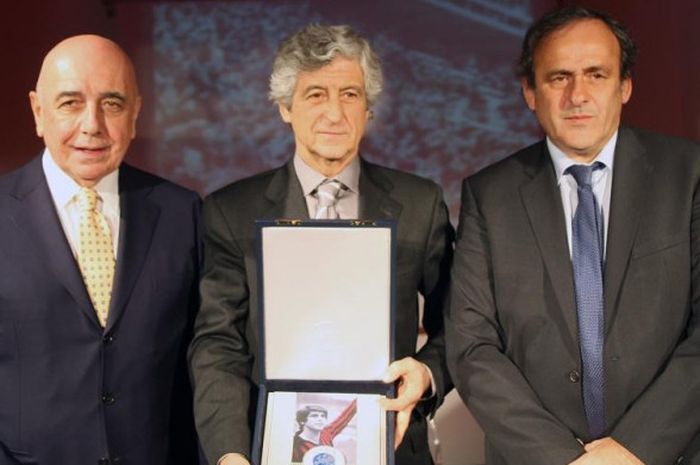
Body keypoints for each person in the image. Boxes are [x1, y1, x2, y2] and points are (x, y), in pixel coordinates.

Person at [446, 5, 700, 465]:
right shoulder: (489, 195)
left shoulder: (690, 176)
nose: (577, 95)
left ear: (625, 86)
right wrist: (564, 459)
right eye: (558, 77)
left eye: (596, 75)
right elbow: (472, 347)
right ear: (530, 91)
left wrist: (632, 448)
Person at [189, 24, 454, 465]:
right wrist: (230, 453)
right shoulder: (230, 211)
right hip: (268, 448)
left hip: (390, 442)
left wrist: (427, 372)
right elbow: (218, 344)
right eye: (315, 95)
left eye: (350, 94)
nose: (335, 113)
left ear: (369, 109)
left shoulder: (420, 203)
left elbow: (462, 321)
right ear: (284, 108)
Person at [0, 35, 201, 464]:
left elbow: (202, 360)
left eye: (111, 103)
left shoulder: (184, 213)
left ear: (135, 114)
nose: (92, 124)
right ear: (38, 112)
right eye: (70, 103)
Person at [292, 401, 357, 462]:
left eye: (323, 416)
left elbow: (346, 416)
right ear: (302, 421)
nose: (320, 419)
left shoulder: (326, 433)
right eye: (314, 416)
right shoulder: (295, 444)